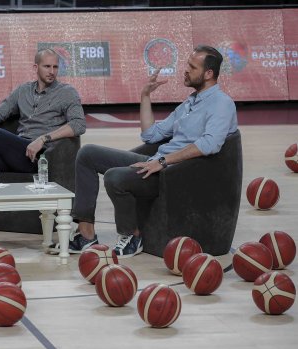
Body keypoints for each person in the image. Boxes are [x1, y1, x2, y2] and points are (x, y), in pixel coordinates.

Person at [52, 45, 238, 258]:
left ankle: (132, 236)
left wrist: (164, 162)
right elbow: (151, 134)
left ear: (208, 74)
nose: (185, 70)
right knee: (87, 154)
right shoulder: (190, 102)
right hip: (159, 163)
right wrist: (145, 96)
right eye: (187, 64)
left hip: (176, 174)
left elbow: (210, 144)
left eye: (192, 67)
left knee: (115, 177)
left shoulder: (222, 104)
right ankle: (86, 235)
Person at [0, 48, 86, 238]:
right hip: (16, 150)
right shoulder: (23, 90)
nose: (51, 71)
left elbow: (78, 125)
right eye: (47, 66)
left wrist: (43, 138)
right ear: (36, 67)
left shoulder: (66, 93)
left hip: (39, 156)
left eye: (55, 67)